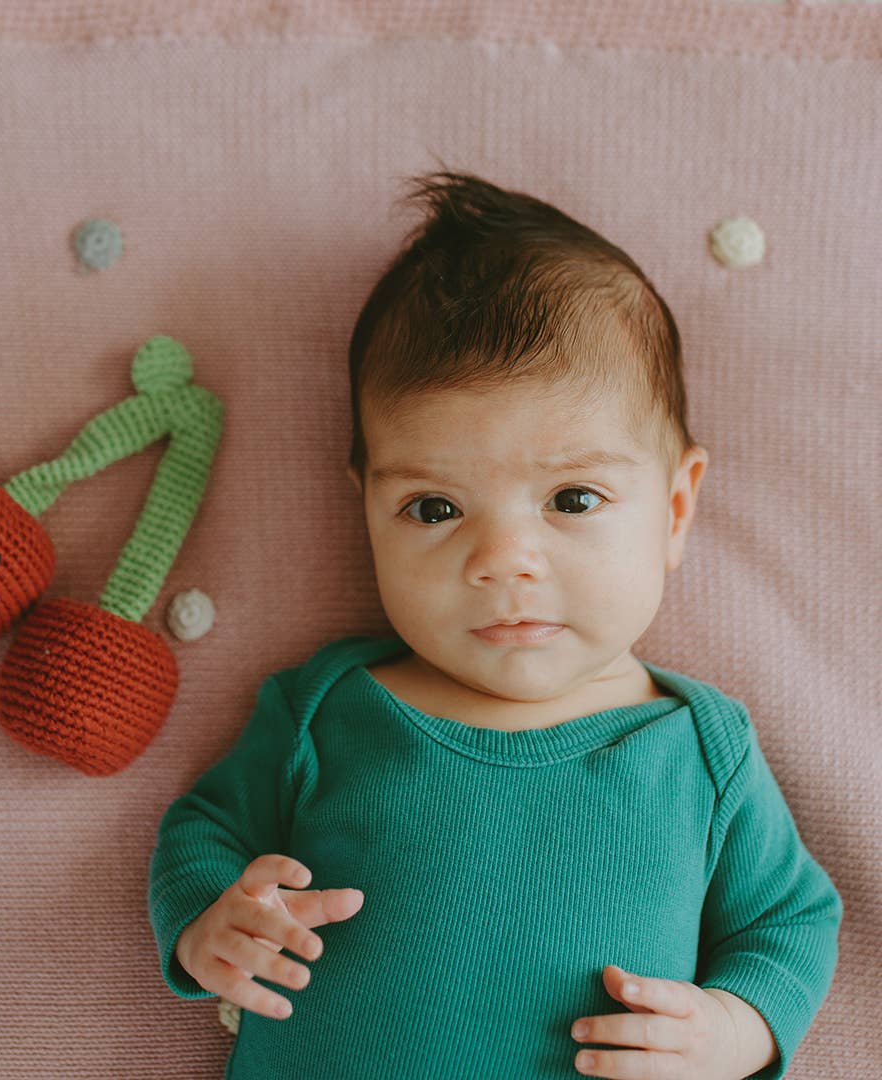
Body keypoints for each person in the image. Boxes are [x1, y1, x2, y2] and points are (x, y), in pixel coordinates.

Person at [147, 168, 842, 1079]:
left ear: (674, 511)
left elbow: (789, 921)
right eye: (434, 509)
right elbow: (202, 831)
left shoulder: (702, 752)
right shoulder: (326, 710)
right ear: (367, 512)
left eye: (573, 498)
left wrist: (734, 1030)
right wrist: (212, 923)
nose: (503, 559)